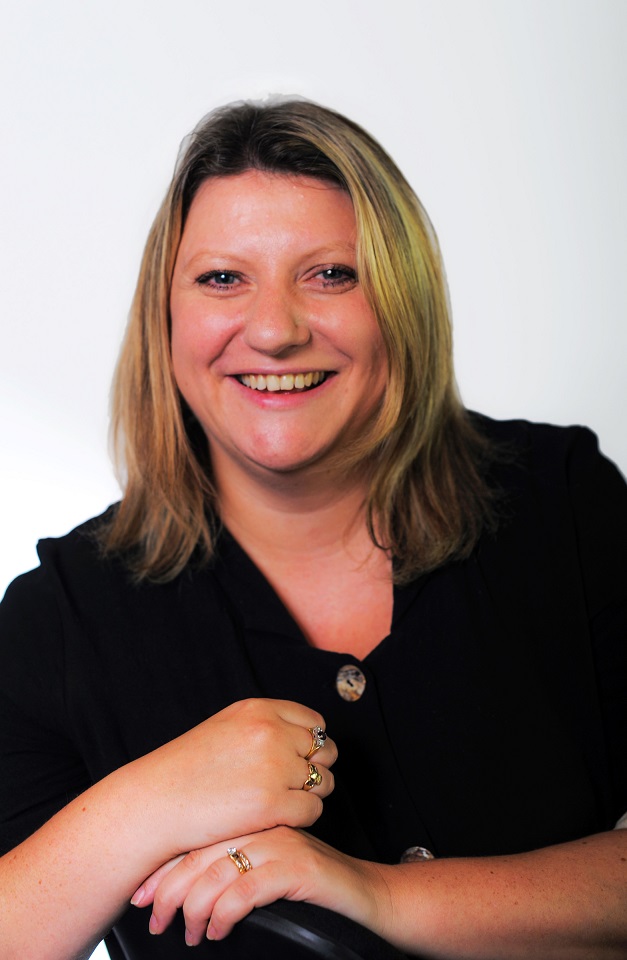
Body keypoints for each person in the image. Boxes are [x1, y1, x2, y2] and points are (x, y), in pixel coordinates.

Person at [1, 97, 626, 960]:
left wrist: (376, 895)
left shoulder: (564, 508)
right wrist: (145, 803)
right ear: (167, 316)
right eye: (223, 278)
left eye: (330, 274)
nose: (274, 329)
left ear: (401, 302)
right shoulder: (60, 619)